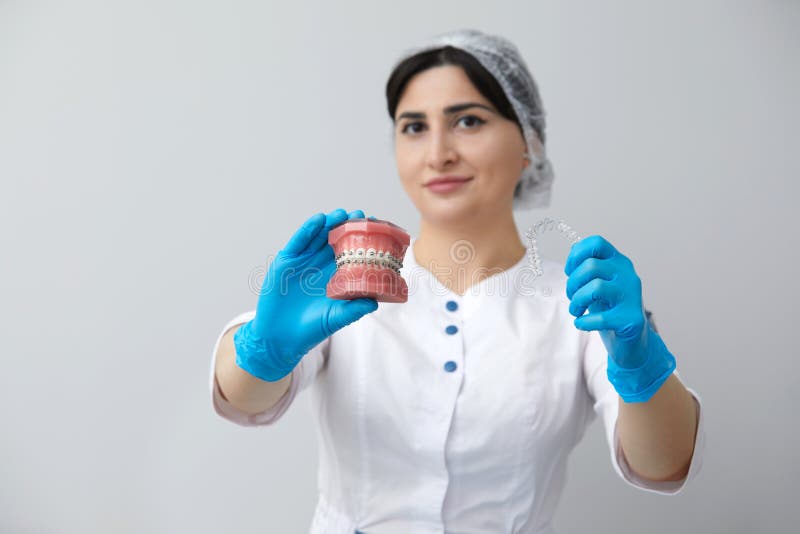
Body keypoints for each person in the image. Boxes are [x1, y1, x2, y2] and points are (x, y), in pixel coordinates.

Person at [209, 29, 705, 534]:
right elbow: (244, 399)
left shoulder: (580, 304)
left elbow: (662, 465)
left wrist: (641, 360)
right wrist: (262, 348)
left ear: (529, 142)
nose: (438, 153)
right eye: (413, 127)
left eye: (468, 121)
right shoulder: (348, 283)